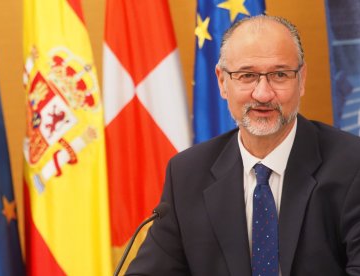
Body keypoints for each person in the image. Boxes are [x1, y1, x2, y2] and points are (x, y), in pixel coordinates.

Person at [125, 14, 360, 276]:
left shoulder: (353, 166)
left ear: (301, 79)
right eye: (247, 76)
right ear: (222, 81)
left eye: (279, 74)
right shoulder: (187, 174)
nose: (262, 94)